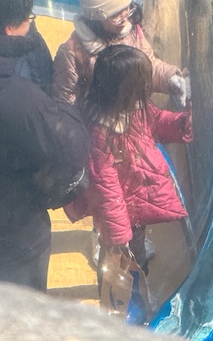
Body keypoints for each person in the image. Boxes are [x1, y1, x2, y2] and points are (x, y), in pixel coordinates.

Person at [0, 0, 90, 292]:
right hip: (9, 243)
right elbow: (71, 149)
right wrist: (64, 108)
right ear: (9, 28)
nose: (31, 25)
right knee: (19, 316)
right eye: (29, 19)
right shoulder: (16, 99)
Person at [64, 45, 190, 277]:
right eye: (143, 82)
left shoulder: (134, 108)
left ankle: (135, 271)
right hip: (119, 209)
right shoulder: (100, 131)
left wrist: (182, 123)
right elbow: (105, 188)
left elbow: (157, 122)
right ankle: (125, 286)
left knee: (135, 247)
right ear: (123, 90)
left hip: (134, 199)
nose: (147, 87)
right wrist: (119, 235)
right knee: (119, 259)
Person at [52, 0, 188, 108]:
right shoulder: (72, 53)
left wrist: (170, 78)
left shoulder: (132, 30)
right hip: (99, 120)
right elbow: (65, 103)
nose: (124, 18)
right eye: (115, 15)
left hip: (136, 114)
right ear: (96, 18)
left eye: (127, 8)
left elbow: (148, 67)